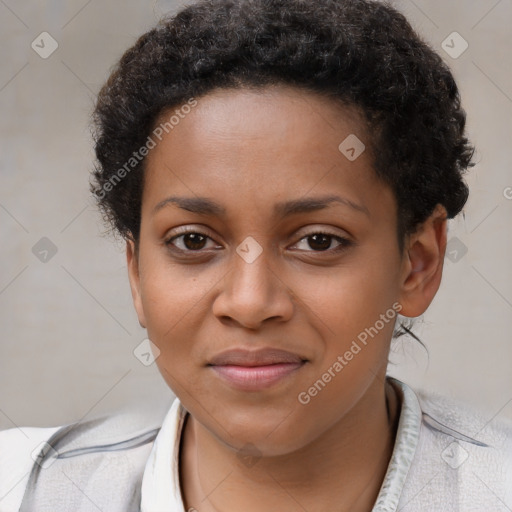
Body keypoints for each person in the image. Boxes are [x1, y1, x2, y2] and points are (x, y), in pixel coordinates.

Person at [1, 0, 511, 510]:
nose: (249, 303)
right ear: (136, 274)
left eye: (318, 241)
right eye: (193, 241)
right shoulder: (22, 488)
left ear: (417, 264)